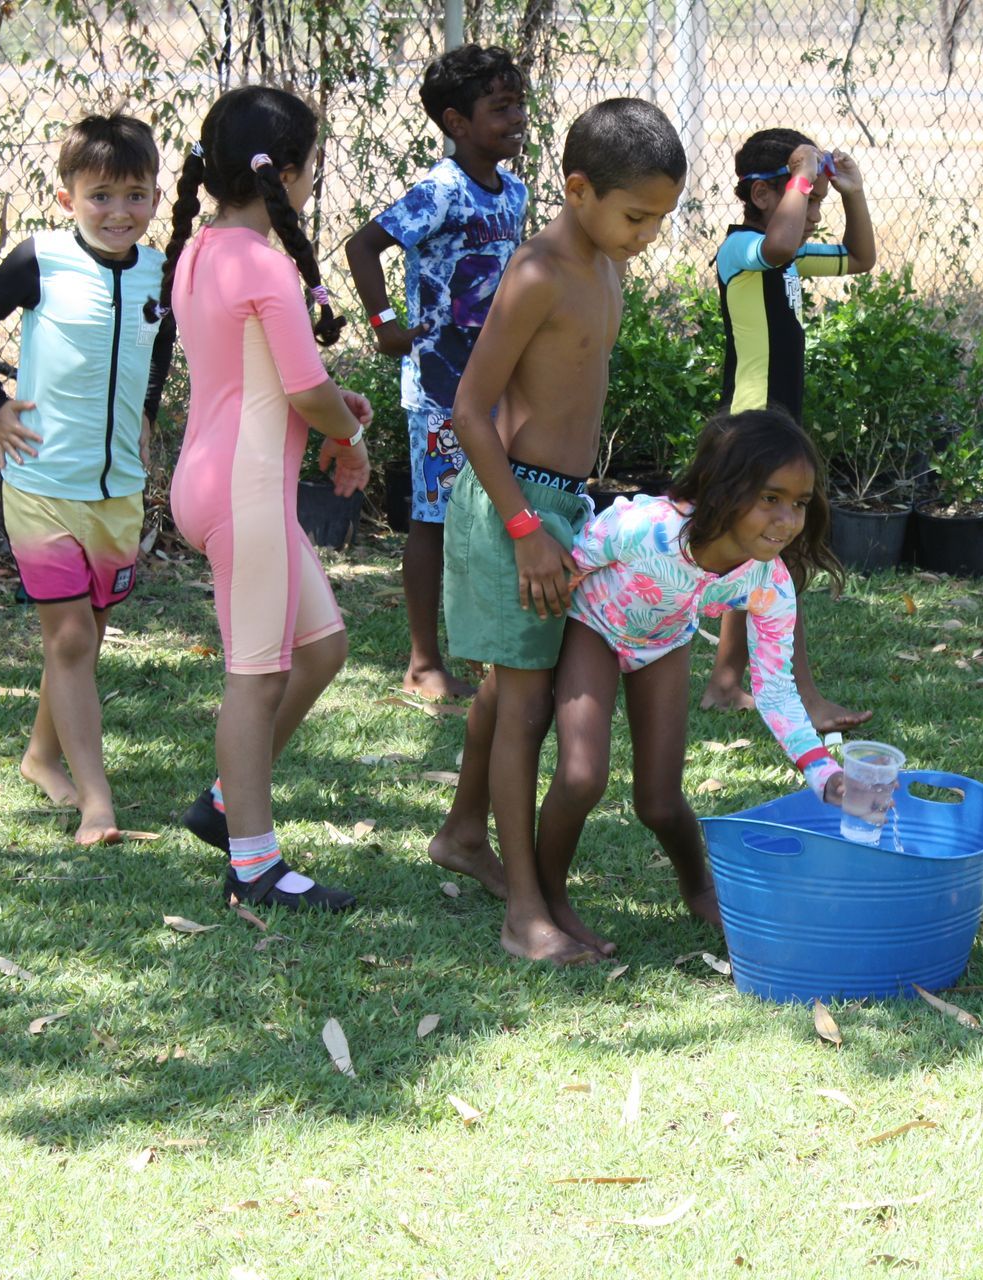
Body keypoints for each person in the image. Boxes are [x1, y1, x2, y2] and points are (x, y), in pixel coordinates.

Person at [423, 98, 686, 964]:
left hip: (562, 506)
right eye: (637, 214)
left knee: (508, 690)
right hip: (515, 507)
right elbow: (467, 411)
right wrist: (527, 526)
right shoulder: (540, 271)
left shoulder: (605, 262)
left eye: (660, 218)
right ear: (579, 190)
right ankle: (524, 913)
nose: (647, 233)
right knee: (524, 706)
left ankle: (466, 835)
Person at [158, 86, 373, 911]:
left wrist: (330, 410)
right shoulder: (265, 263)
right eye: (311, 168)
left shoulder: (203, 248)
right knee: (255, 677)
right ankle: (252, 864)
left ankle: (223, 803)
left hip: (225, 482)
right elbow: (303, 387)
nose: (311, 182)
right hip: (244, 494)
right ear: (284, 173)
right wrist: (345, 428)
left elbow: (283, 382)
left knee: (321, 650)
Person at [536, 410, 847, 957]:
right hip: (593, 626)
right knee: (582, 776)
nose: (788, 519)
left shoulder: (769, 582)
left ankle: (699, 887)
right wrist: (533, 646)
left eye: (799, 502)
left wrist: (822, 772)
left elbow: (774, 689)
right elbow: (577, 559)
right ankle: (549, 901)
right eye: (770, 498)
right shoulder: (652, 529)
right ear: (726, 489)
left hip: (663, 644)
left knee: (659, 802)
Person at [0, 113, 174, 846]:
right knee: (73, 637)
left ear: (155, 197)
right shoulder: (40, 259)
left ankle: (41, 756)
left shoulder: (158, 270)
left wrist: (146, 409)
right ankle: (96, 803)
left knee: (86, 634)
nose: (119, 212)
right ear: (67, 198)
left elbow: (160, 339)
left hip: (118, 487)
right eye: (101, 196)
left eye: (136, 195)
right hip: (43, 478)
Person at [344, 44, 528, 703]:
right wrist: (384, 322)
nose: (516, 118)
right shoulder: (439, 191)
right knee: (434, 519)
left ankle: (486, 652)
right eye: (499, 107)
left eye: (519, 104)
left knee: (492, 515)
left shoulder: (515, 191)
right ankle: (424, 662)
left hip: (497, 385)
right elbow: (363, 245)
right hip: (440, 390)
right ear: (456, 122)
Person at [697, 127, 875, 735]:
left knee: (747, 551)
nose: (814, 212)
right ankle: (803, 700)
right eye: (806, 198)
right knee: (784, 554)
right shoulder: (742, 249)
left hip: (772, 425)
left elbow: (860, 258)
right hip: (752, 425)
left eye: (819, 202)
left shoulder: (791, 249)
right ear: (766, 195)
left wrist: (850, 195)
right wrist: (803, 178)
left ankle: (724, 684)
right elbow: (776, 247)